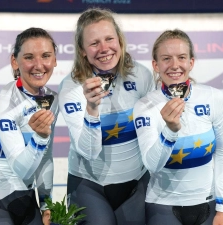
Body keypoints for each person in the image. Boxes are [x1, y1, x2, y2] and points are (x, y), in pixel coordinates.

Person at [58, 7, 155, 225]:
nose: (104, 49)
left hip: (136, 183)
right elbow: (89, 152)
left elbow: (152, 134)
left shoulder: (140, 75)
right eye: (94, 43)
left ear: (119, 40)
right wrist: (92, 108)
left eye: (109, 39)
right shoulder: (71, 88)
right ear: (82, 50)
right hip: (89, 185)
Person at [133, 29, 223, 225]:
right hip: (162, 207)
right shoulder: (145, 106)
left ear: (191, 62)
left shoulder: (213, 98)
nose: (175, 65)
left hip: (208, 204)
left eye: (181, 57)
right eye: (166, 58)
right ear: (156, 65)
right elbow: (151, 165)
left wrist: (222, 208)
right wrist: (169, 130)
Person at [0, 27, 58, 225]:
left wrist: (46, 204)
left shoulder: (52, 99)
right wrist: (40, 137)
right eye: (29, 57)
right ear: (15, 62)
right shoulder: (3, 104)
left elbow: (45, 156)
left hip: (24, 197)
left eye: (46, 56)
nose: (39, 65)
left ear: (55, 60)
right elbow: (22, 170)